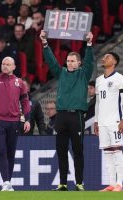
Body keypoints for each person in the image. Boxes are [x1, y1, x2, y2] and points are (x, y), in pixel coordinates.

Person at [40, 30, 94, 191]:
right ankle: (63, 183)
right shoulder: (61, 73)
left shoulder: (84, 74)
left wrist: (89, 44)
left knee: (78, 150)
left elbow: (90, 61)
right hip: (61, 116)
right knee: (61, 150)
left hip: (76, 115)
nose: (69, 63)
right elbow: (51, 61)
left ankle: (79, 183)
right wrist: (44, 44)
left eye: (72, 61)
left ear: (79, 63)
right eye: (68, 61)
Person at [0, 47, 31, 191]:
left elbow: (25, 102)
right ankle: (6, 181)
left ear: (14, 67)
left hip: (14, 121)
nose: (5, 66)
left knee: (11, 152)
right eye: (3, 64)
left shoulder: (20, 83)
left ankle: (8, 181)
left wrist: (27, 119)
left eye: (8, 64)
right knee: (1, 151)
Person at [94, 52, 123, 192]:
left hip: (115, 121)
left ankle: (119, 184)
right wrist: (96, 121)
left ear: (114, 61)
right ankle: (111, 183)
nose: (104, 58)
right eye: (103, 57)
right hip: (102, 121)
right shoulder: (98, 80)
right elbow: (98, 103)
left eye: (107, 57)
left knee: (117, 150)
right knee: (107, 152)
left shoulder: (120, 79)